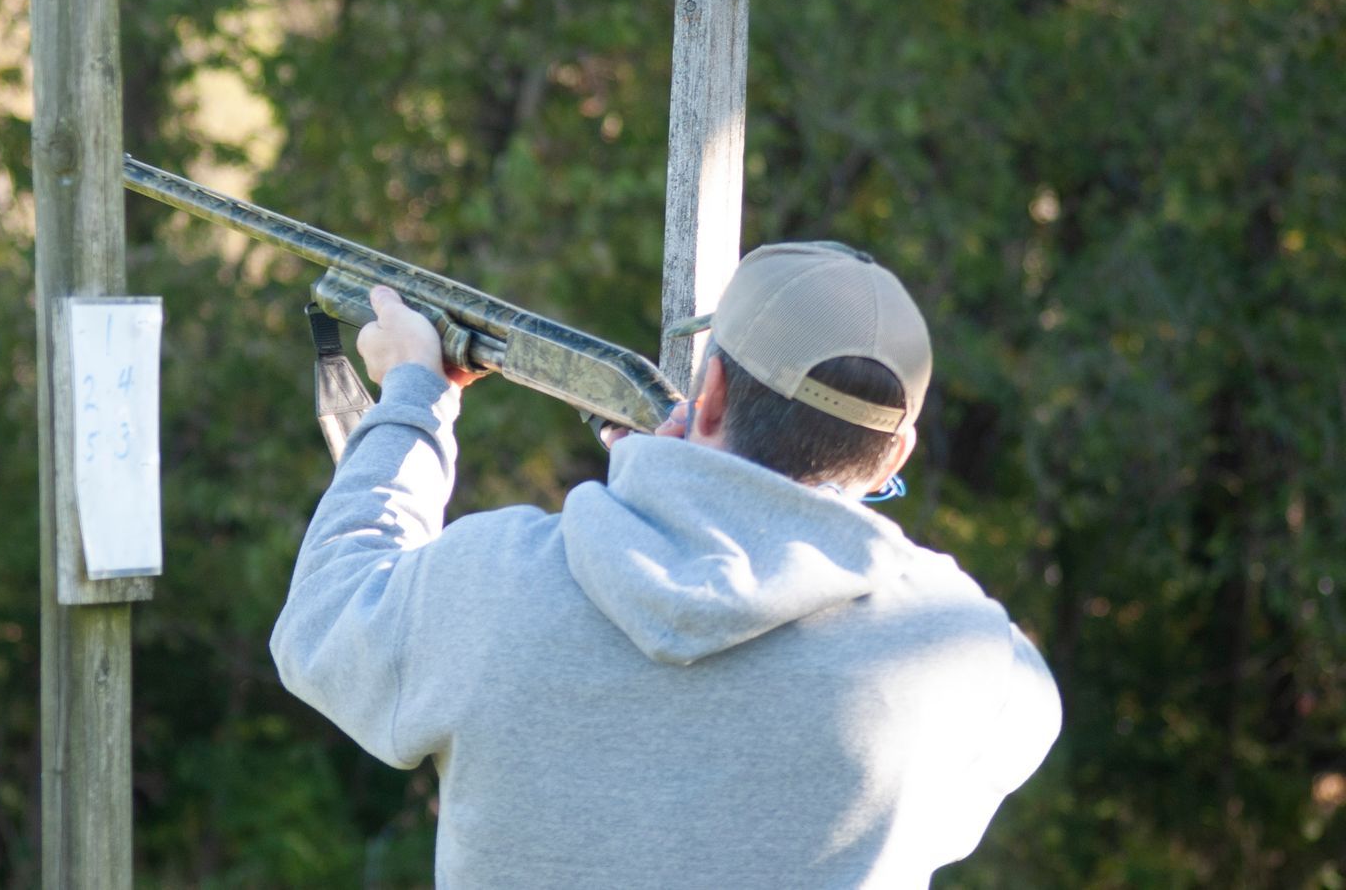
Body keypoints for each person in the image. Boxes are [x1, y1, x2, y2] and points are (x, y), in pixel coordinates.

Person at [270, 241, 1061, 888]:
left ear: (709, 387)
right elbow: (1027, 713)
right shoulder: (952, 649)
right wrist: (700, 488)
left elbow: (324, 615)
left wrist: (414, 397)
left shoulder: (495, 578)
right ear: (897, 450)